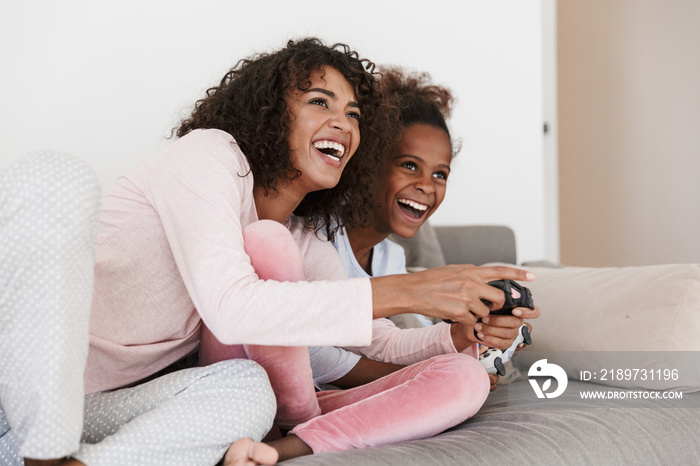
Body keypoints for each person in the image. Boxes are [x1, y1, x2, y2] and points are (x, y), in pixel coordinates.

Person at [198, 66, 540, 464]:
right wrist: (420, 357)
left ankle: (285, 448)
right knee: (268, 246)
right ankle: (289, 429)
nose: (427, 186)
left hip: (325, 401)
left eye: (440, 174)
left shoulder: (392, 258)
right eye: (410, 165)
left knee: (465, 379)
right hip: (257, 387)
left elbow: (385, 342)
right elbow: (302, 348)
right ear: (369, 163)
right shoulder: (310, 235)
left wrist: (461, 339)